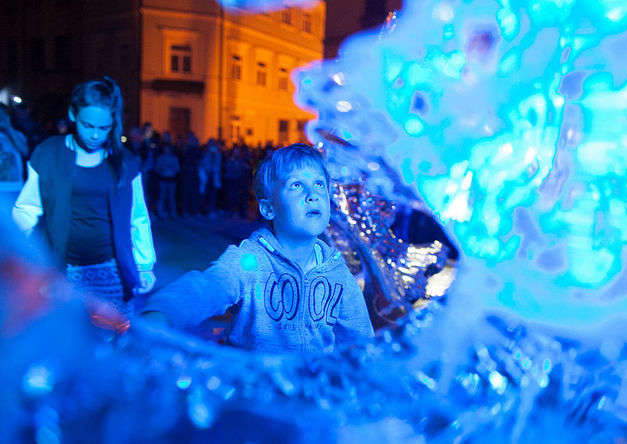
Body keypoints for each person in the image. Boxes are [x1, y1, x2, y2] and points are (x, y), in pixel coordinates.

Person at [143, 143, 374, 353]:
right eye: (296, 185)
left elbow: (361, 341)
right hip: (257, 383)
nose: (312, 195)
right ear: (268, 209)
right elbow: (207, 287)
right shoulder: (250, 261)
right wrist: (161, 313)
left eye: (319, 184)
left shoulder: (337, 272)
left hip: (311, 384)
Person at [12, 77, 156, 314]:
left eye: (104, 128)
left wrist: (144, 264)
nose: (95, 135)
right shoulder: (48, 154)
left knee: (111, 334)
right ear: (73, 114)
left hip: (112, 272)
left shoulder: (125, 163)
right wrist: (12, 253)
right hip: (62, 272)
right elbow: (26, 209)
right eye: (88, 126)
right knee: (66, 334)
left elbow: (137, 216)